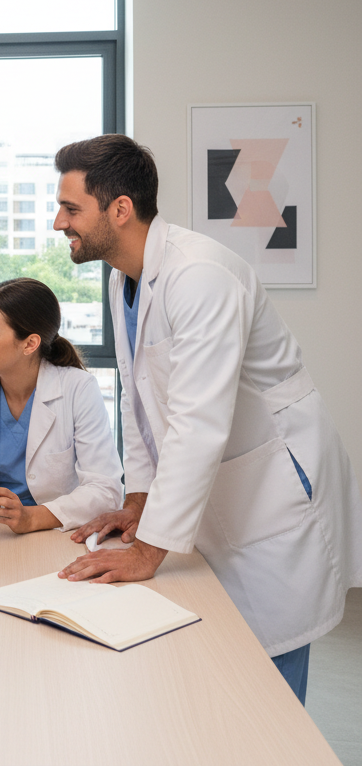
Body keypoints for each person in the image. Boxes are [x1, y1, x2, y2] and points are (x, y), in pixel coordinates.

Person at [52, 133, 362, 704]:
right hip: (224, 479)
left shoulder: (200, 276)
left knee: (269, 663)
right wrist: (140, 500)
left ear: (120, 209)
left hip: (273, 478)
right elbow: (138, 398)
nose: (58, 223)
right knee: (221, 657)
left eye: (71, 208)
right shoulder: (129, 279)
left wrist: (148, 550)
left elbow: (197, 421)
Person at [0, 277, 123, 534]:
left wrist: (32, 518)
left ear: (29, 344)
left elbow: (105, 488)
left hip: (53, 532)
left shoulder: (78, 388)